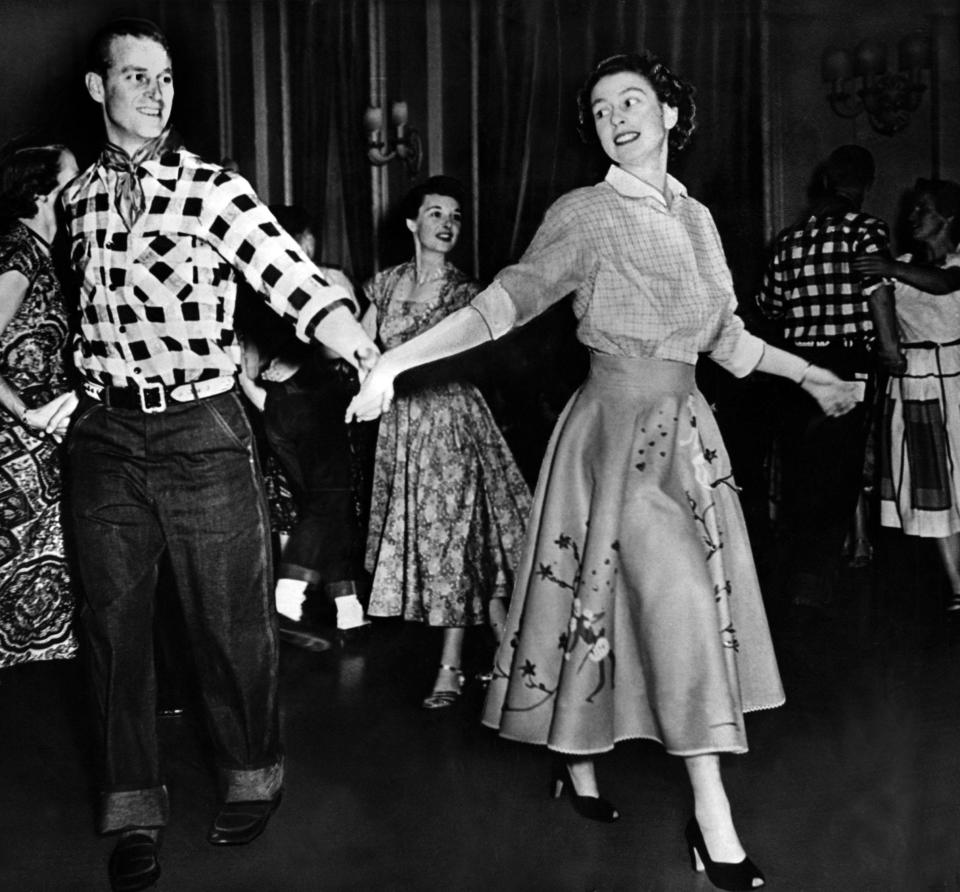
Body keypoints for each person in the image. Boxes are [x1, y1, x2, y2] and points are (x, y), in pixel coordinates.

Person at [347, 53, 857, 889]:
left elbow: (725, 340)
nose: (615, 116)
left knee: (615, 606)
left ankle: (577, 759)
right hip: (612, 434)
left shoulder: (696, 219)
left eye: (632, 100)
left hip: (688, 437)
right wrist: (395, 363)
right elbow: (501, 304)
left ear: (669, 114)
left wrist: (814, 375)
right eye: (598, 107)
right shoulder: (583, 214)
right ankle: (713, 818)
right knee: (673, 603)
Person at [40, 19, 378, 892]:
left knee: (230, 626)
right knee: (114, 635)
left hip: (202, 431)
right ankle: (132, 809)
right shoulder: (73, 204)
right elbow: (75, 316)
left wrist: (351, 339)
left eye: (166, 79)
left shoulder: (213, 190)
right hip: (106, 439)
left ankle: (251, 773)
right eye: (136, 77)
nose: (156, 93)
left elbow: (288, 277)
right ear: (97, 88)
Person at [361, 175, 531, 709]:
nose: (447, 225)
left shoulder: (465, 291)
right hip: (400, 430)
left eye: (455, 216)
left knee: (453, 544)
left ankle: (451, 667)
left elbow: (473, 356)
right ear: (413, 222)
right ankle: (510, 653)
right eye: (436, 214)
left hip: (451, 424)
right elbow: (363, 350)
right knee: (437, 546)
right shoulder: (383, 285)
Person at [756, 145, 903, 615]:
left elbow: (768, 307)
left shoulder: (787, 240)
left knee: (801, 469)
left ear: (824, 183)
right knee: (839, 472)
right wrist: (889, 351)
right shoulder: (868, 231)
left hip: (798, 368)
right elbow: (878, 294)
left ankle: (798, 572)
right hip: (850, 365)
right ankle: (816, 576)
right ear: (863, 186)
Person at [238, 204, 370, 649]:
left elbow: (243, 362)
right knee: (329, 503)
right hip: (315, 407)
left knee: (325, 508)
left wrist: (264, 394)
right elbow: (336, 351)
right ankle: (288, 591)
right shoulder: (325, 279)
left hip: (277, 408)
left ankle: (349, 612)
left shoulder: (255, 288)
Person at [852, 178, 960, 617]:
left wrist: (888, 269)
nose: (913, 217)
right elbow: (879, 303)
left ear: (949, 218)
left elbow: (943, 284)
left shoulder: (948, 264)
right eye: (912, 209)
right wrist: (886, 347)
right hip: (915, 386)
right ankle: (958, 585)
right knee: (935, 490)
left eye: (924, 209)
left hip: (957, 378)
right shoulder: (898, 264)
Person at [0, 143, 79, 668]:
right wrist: (26, 414)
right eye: (75, 177)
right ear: (41, 190)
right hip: (14, 449)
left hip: (44, 448)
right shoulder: (19, 252)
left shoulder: (47, 254)